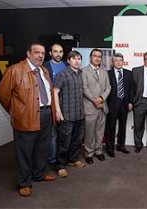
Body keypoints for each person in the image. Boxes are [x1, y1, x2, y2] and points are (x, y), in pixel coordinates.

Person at [0, 43, 56, 197]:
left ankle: (39, 174)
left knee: (42, 149)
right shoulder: (15, 70)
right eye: (37, 52)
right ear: (28, 53)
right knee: (24, 152)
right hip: (25, 118)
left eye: (43, 53)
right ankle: (24, 183)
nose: (40, 56)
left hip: (45, 115)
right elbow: (2, 95)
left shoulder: (44, 71)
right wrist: (17, 111)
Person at [54, 50, 86, 178]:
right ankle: (60, 165)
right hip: (66, 114)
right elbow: (55, 92)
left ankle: (73, 160)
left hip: (79, 114)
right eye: (74, 58)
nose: (77, 61)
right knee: (64, 142)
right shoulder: (63, 74)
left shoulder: (80, 73)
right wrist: (57, 110)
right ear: (68, 61)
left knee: (76, 140)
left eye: (79, 58)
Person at [82, 48, 111, 164]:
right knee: (89, 132)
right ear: (90, 57)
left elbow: (108, 87)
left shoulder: (104, 71)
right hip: (90, 106)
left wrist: (102, 99)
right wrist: (95, 100)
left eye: (99, 56)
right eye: (95, 56)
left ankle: (98, 151)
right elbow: (84, 88)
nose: (97, 58)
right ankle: (89, 153)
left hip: (102, 106)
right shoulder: (84, 71)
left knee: (100, 131)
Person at [43, 43, 68, 166]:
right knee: (53, 135)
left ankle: (62, 157)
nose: (58, 54)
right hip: (51, 105)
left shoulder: (67, 65)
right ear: (50, 53)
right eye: (55, 51)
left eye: (61, 51)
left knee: (64, 134)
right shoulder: (44, 66)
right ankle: (52, 160)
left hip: (66, 105)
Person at [105, 53, 133, 157]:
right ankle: (110, 148)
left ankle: (121, 146)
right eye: (116, 60)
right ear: (113, 62)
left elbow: (131, 89)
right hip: (112, 104)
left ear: (123, 61)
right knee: (111, 127)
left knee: (122, 126)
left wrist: (130, 102)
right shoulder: (107, 73)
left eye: (120, 60)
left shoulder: (128, 73)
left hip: (124, 104)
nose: (118, 62)